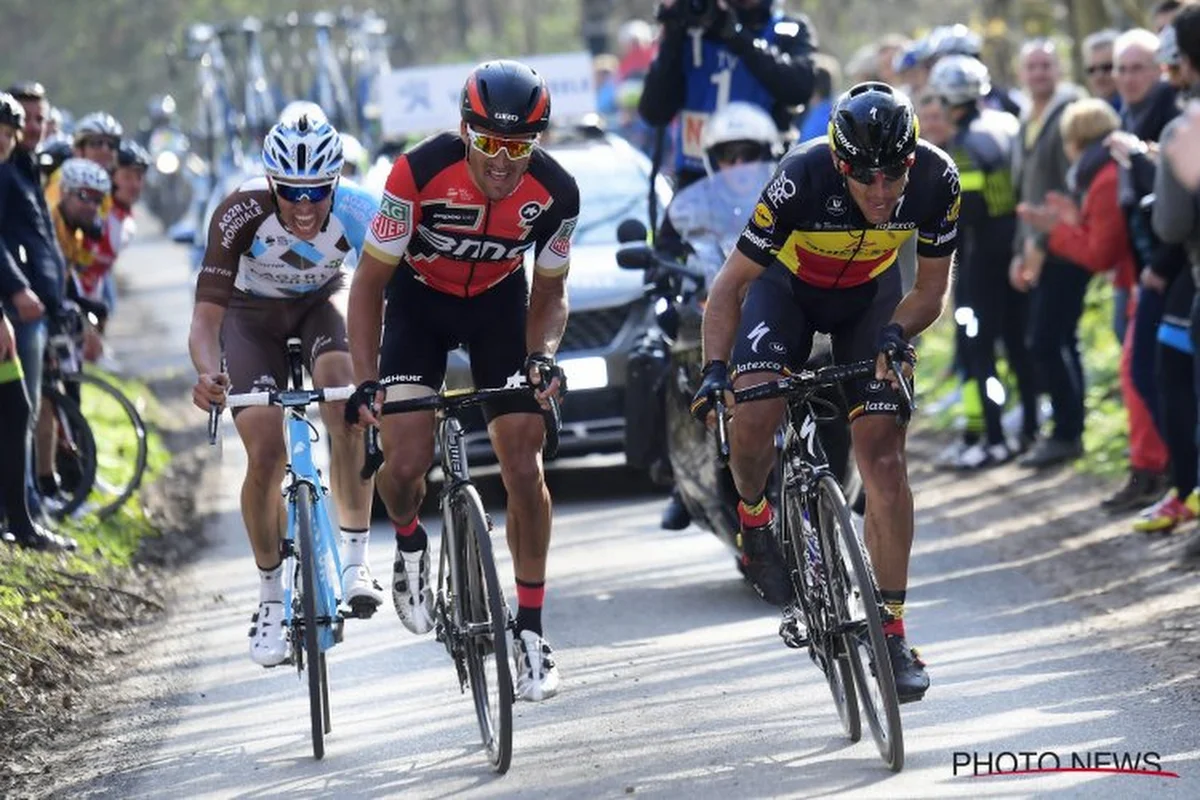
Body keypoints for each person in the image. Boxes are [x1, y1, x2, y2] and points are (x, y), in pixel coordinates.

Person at [690, 82, 960, 701]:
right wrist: (715, 368)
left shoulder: (938, 181)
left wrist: (897, 335)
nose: (882, 191)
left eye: (894, 174)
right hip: (784, 294)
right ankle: (755, 517)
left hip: (870, 302)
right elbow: (730, 287)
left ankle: (890, 632)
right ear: (840, 164)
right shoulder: (800, 177)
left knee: (885, 460)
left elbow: (930, 291)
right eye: (865, 177)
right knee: (754, 411)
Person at [344, 60, 579, 702]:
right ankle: (413, 544)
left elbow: (551, 292)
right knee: (404, 463)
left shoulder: (558, 194)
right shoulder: (416, 173)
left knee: (524, 463)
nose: (503, 162)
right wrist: (367, 384)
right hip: (416, 305)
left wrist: (542, 355)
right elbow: (367, 286)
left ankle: (530, 630)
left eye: (520, 147)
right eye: (490, 144)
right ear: (464, 129)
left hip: (498, 310)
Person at [188, 112, 382, 667]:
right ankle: (271, 598)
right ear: (271, 182)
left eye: (317, 191)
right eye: (291, 191)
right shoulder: (238, 212)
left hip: (323, 303)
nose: (303, 205)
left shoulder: (360, 211)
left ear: (336, 182)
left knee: (345, 403)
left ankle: (353, 559)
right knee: (266, 453)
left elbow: (392, 293)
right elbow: (205, 323)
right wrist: (207, 373)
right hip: (251, 319)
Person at [657, 101, 782, 531]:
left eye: (749, 153)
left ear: (767, 154)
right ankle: (680, 481)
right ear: (712, 160)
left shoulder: (785, 193)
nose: (739, 164)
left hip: (779, 306)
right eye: (729, 155)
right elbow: (664, 254)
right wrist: (669, 274)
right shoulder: (689, 207)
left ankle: (847, 471)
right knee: (655, 358)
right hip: (710, 310)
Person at [928, 55, 1036, 469]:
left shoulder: (964, 144)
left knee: (979, 349)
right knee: (1017, 344)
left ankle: (992, 436)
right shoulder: (1007, 124)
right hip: (1014, 249)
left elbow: (966, 214)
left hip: (980, 258)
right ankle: (1026, 430)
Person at [1009, 39, 1088, 468]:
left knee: (1044, 340)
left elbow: (1066, 186)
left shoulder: (1070, 113)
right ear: (1022, 73)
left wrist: (1038, 246)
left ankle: (1067, 431)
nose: (1039, 73)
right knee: (1059, 340)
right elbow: (1027, 191)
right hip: (1037, 243)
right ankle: (1071, 427)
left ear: (1058, 69)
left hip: (1064, 243)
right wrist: (1021, 248)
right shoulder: (1026, 118)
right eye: (1032, 66)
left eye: (1046, 65)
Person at [637, 0, 817, 189]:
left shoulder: (787, 29)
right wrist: (672, 32)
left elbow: (799, 89)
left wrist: (736, 35)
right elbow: (654, 112)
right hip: (696, 187)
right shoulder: (692, 31)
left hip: (764, 184)